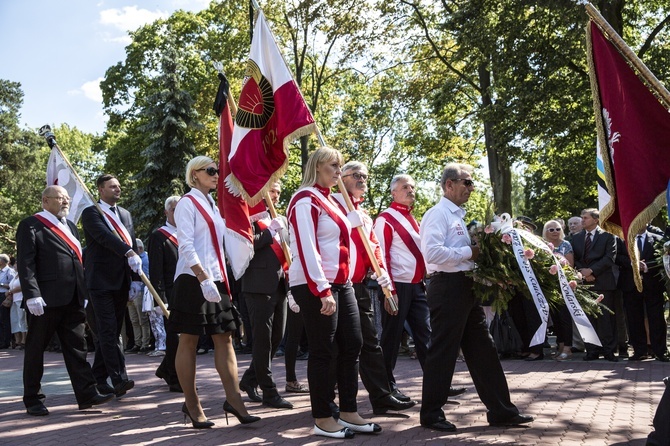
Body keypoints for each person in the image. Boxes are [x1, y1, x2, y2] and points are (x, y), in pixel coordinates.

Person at [419, 163, 533, 432]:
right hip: (446, 287)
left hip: (464, 286)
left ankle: (501, 410)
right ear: (449, 184)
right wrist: (470, 253)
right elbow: (432, 254)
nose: (471, 187)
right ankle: (431, 413)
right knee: (443, 351)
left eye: (471, 183)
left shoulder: (458, 216)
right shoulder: (437, 214)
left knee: (483, 349)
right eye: (466, 182)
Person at [288, 147, 376, 439]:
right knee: (324, 350)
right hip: (316, 284)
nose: (338, 172)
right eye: (332, 166)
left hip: (342, 283)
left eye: (340, 166)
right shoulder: (304, 199)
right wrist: (322, 288)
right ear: (316, 167)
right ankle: (323, 416)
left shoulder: (333, 202)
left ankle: (348, 411)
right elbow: (306, 246)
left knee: (353, 342)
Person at [169, 155, 258, 428]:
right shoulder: (187, 202)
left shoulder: (212, 204)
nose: (216, 174)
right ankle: (192, 403)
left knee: (225, 338)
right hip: (193, 278)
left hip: (216, 279)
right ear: (194, 174)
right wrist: (202, 277)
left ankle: (234, 399)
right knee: (189, 341)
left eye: (217, 170)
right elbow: (185, 243)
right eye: (210, 170)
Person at [16, 186, 114, 415]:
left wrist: (84, 293)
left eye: (67, 199)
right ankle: (33, 398)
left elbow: (76, 261)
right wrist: (32, 294)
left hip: (73, 298)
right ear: (45, 200)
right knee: (35, 350)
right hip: (44, 300)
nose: (66, 202)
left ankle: (87, 393)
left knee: (77, 348)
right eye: (61, 198)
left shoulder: (70, 226)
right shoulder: (31, 224)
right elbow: (26, 263)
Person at [332, 161, 415, 415]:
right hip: (336, 285)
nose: (362, 179)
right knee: (337, 345)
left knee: (370, 341)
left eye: (365, 176)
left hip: (358, 286)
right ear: (341, 178)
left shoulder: (364, 214)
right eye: (356, 175)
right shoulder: (331, 205)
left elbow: (374, 247)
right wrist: (346, 221)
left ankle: (381, 395)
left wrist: (382, 275)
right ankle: (328, 399)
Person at [373, 174, 441, 402]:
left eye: (412, 186)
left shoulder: (413, 219)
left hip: (416, 285)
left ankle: (436, 383)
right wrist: (388, 290)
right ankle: (386, 387)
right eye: (405, 187)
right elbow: (381, 256)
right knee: (391, 339)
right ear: (394, 193)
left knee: (426, 335)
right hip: (397, 286)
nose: (411, 190)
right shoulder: (385, 218)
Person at [81, 174, 141, 397]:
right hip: (100, 282)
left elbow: (132, 242)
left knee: (114, 330)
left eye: (118, 186)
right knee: (108, 331)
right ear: (100, 190)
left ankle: (97, 377)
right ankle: (119, 378)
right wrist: (128, 251)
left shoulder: (125, 213)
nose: (117, 189)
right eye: (112, 186)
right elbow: (104, 237)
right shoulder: (91, 213)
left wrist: (134, 279)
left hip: (122, 280)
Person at [239, 181, 292, 409]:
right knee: (262, 341)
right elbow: (246, 246)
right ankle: (269, 391)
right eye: (272, 191)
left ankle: (250, 379)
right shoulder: (249, 217)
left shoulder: (278, 217)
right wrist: (269, 232)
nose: (276, 196)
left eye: (279, 192)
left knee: (276, 338)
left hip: (280, 283)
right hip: (258, 284)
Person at [572, 208, 618, 362]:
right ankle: (591, 350)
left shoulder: (608, 236)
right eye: (582, 217)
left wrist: (592, 271)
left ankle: (609, 351)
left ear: (596, 219)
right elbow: (575, 259)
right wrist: (583, 272)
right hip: (584, 284)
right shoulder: (576, 237)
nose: (582, 220)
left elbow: (609, 258)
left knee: (605, 319)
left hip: (604, 282)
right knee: (588, 318)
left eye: (585, 218)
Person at [618, 227, 669, 362]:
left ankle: (660, 351)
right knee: (634, 319)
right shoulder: (623, 239)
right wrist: (633, 264)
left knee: (656, 319)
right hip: (630, 285)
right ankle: (639, 351)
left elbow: (662, 258)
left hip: (653, 285)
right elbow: (618, 257)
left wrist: (647, 266)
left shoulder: (658, 239)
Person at [150, 196, 181, 385]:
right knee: (175, 336)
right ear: (166, 212)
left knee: (185, 335)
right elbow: (156, 271)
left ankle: (164, 368)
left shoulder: (188, 233)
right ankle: (174, 377)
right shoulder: (158, 236)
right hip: (170, 294)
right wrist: (160, 299)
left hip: (187, 291)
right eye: (174, 210)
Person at [542, 219, 574, 360]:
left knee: (565, 317)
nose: (555, 232)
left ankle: (568, 347)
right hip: (549, 287)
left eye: (558, 229)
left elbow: (570, 266)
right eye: (551, 229)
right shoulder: (541, 246)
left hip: (564, 286)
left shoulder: (565, 245)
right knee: (555, 318)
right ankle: (560, 346)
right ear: (546, 232)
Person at [126, 238, 151, 354]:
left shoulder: (145, 260)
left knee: (142, 319)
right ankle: (138, 342)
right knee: (134, 320)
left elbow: (145, 276)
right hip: (131, 292)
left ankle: (145, 343)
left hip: (140, 291)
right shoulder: (130, 259)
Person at [7, 272, 27, 349]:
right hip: (14, 300)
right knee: (14, 320)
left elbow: (23, 286)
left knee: (22, 319)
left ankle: (24, 340)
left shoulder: (23, 274)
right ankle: (17, 340)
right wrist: (8, 292)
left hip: (21, 299)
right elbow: (10, 287)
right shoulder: (15, 275)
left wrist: (11, 291)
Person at [0, 253, 15, 349]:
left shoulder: (10, 271)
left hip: (4, 295)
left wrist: (1, 284)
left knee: (4, 319)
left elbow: (13, 284)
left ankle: (6, 341)